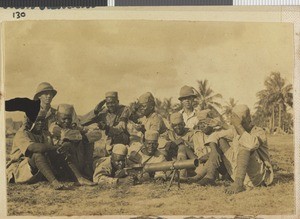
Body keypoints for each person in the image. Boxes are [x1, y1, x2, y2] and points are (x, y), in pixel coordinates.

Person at [198, 104, 274, 194]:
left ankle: (238, 183)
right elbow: (215, 135)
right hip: (237, 172)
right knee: (221, 140)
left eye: (239, 120)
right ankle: (209, 177)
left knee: (245, 145)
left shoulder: (259, 131)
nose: (236, 122)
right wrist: (214, 151)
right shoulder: (235, 130)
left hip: (258, 177)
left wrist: (238, 126)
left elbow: (251, 144)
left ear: (248, 119)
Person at [6, 111, 69, 190]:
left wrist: (62, 146)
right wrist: (56, 148)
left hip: (39, 166)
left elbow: (51, 149)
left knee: (62, 152)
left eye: (42, 120)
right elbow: (35, 148)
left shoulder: (44, 134)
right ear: (30, 121)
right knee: (37, 154)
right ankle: (54, 182)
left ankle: (76, 177)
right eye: (37, 120)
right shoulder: (22, 134)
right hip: (21, 168)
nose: (41, 123)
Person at [49, 104, 101, 183]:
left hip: (77, 159)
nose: (67, 121)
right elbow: (65, 134)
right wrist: (81, 135)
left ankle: (87, 170)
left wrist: (84, 137)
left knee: (88, 141)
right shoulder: (53, 127)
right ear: (57, 117)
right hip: (61, 163)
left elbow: (98, 134)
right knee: (67, 143)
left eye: (69, 119)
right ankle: (79, 177)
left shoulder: (73, 127)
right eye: (64, 119)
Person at [80, 91, 131, 156]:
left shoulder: (124, 110)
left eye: (112, 103)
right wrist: (95, 111)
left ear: (117, 102)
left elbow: (122, 128)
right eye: (108, 103)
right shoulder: (104, 112)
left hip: (122, 140)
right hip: (107, 142)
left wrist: (107, 127)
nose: (110, 105)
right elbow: (83, 122)